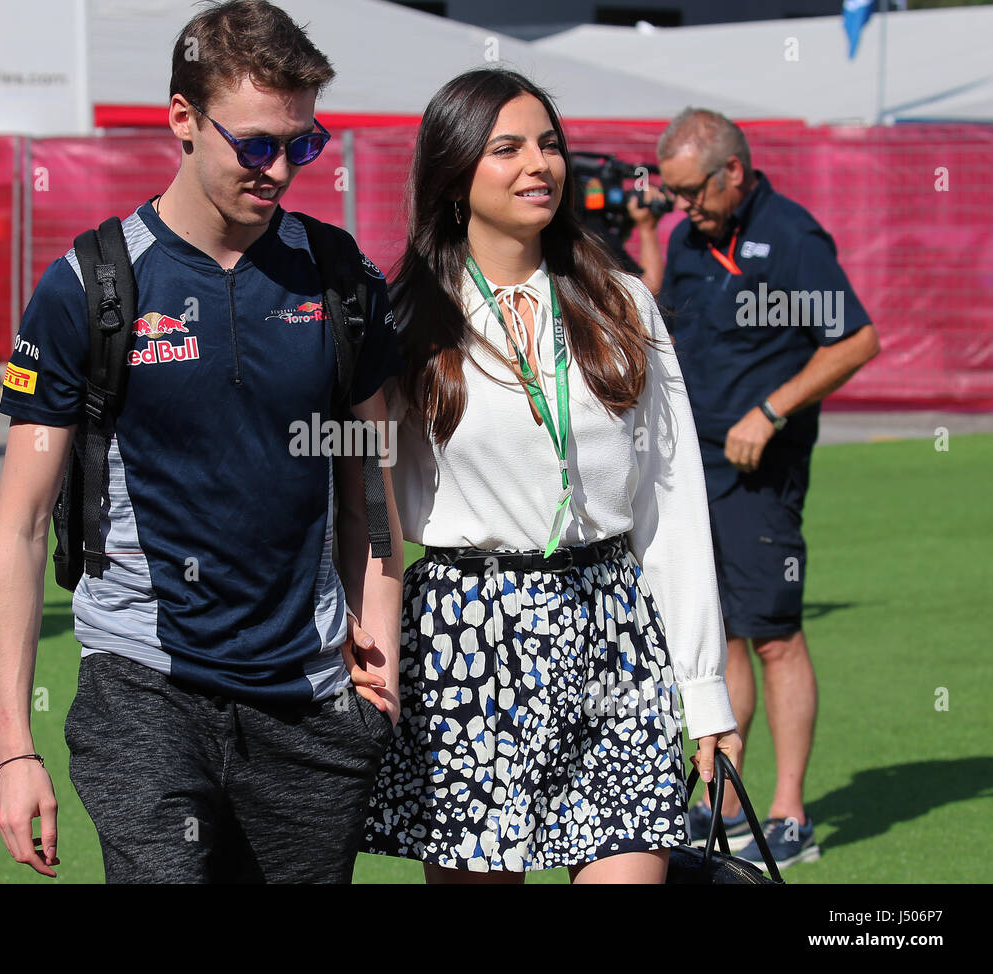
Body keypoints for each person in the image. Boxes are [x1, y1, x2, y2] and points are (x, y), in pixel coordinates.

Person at [0, 0, 404, 884]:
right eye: (255, 143)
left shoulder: (341, 279)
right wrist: (14, 750)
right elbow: (20, 528)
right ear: (182, 118)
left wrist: (383, 668)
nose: (281, 168)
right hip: (143, 685)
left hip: (309, 700)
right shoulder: (90, 284)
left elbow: (372, 494)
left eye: (303, 143)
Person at [361, 68, 741, 884]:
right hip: (467, 638)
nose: (540, 164)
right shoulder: (406, 320)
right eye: (507, 149)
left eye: (548, 144)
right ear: (455, 175)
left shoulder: (624, 304)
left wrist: (704, 692)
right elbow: (370, 508)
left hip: (614, 632)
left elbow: (670, 504)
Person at [649, 108, 879, 869]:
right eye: (673, 194)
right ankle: (724, 804)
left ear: (733, 173)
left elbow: (856, 341)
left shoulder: (792, 237)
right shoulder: (686, 237)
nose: (684, 206)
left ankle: (789, 814)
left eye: (691, 192)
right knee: (723, 636)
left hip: (760, 473)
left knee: (776, 636)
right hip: (692, 472)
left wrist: (772, 409)